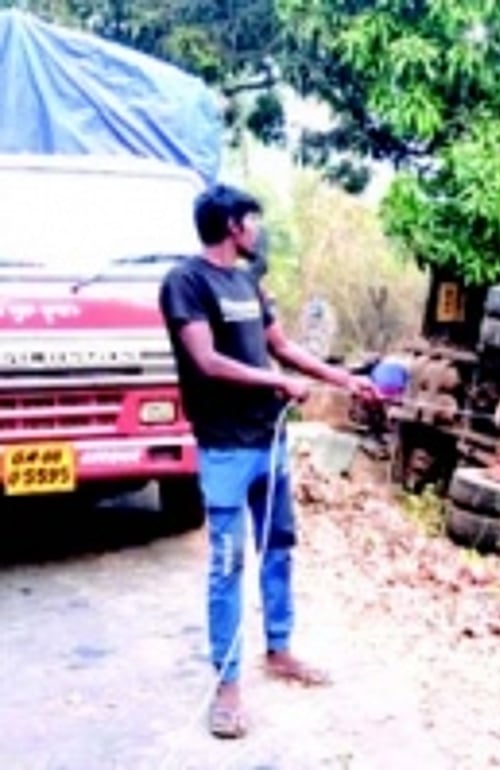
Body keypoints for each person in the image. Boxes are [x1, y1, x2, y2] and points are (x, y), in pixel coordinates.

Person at [158, 184, 379, 739]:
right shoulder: (185, 283)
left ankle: (279, 649)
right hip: (227, 448)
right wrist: (280, 383)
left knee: (278, 546)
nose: (258, 229)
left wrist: (344, 377)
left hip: (270, 442)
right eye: (252, 220)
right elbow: (206, 361)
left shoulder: (250, 282)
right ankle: (227, 684)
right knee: (228, 563)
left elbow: (283, 347)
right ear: (233, 225)